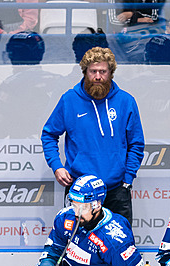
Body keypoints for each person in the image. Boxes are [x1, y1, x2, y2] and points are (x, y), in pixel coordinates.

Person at [41, 47, 145, 224]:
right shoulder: (69, 99)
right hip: (80, 192)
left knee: (119, 247)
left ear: (111, 73)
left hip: (116, 191)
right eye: (93, 71)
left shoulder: (126, 101)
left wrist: (127, 178)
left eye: (103, 71)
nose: (98, 77)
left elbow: (136, 144)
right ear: (85, 72)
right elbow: (49, 134)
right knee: (77, 247)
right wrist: (57, 166)